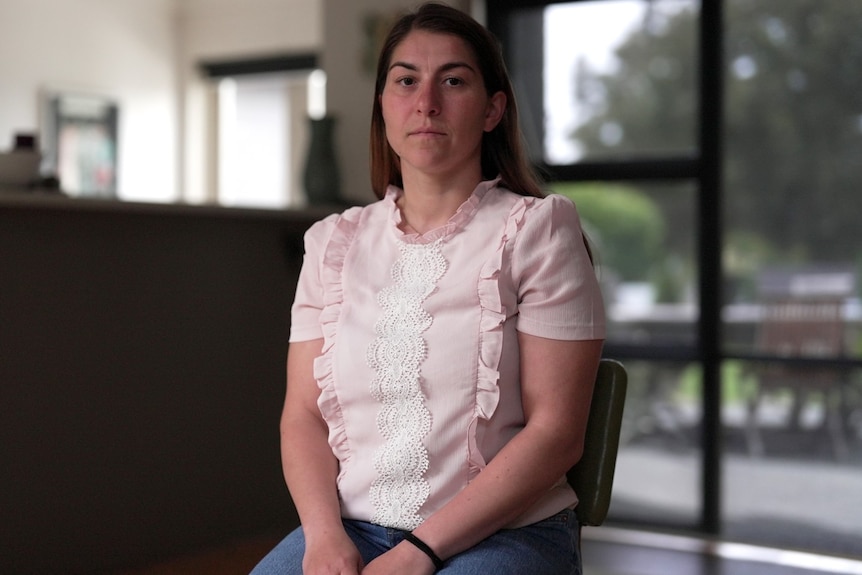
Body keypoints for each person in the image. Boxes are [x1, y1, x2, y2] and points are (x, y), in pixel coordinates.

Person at [251, 3, 605, 574]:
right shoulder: (331, 243)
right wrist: (322, 536)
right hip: (351, 527)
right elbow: (303, 416)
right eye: (406, 81)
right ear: (383, 105)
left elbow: (557, 434)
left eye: (454, 81)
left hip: (506, 533)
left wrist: (420, 552)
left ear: (492, 110)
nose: (427, 103)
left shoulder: (538, 230)